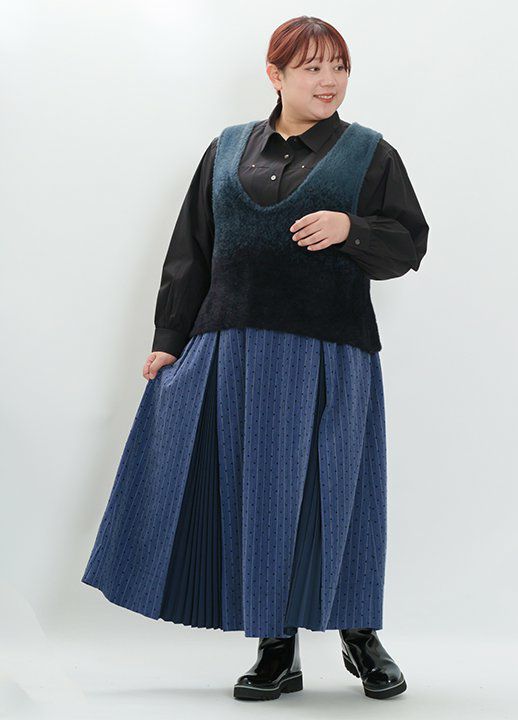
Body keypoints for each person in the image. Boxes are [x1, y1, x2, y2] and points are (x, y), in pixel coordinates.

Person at [81, 15, 429, 702]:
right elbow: (191, 251)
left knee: (339, 492)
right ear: (276, 75)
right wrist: (168, 340)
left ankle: (360, 635)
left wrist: (351, 228)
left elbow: (408, 244)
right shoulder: (227, 149)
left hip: (332, 351)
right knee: (256, 498)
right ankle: (276, 647)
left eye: (339, 67)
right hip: (233, 349)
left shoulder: (370, 154)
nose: (329, 81)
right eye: (313, 68)